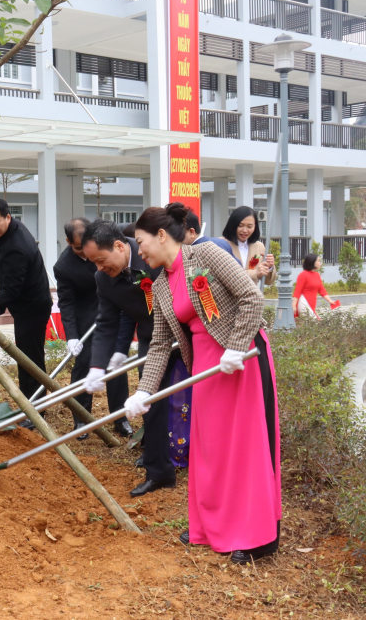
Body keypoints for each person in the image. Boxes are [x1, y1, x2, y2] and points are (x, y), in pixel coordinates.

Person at [129, 202, 280, 565]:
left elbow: (251, 297)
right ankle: (211, 526)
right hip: (207, 366)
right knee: (210, 447)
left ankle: (253, 536)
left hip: (240, 359)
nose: (140, 250)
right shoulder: (162, 283)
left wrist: (235, 346)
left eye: (141, 241)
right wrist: (144, 390)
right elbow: (162, 343)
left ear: (161, 235)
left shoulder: (207, 254)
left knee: (242, 448)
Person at [80, 219, 175, 496]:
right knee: (150, 402)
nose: (99, 268)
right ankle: (159, 472)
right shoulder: (103, 279)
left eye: (101, 260)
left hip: (187, 331)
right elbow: (107, 322)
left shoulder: (152, 255)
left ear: (120, 246)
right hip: (152, 339)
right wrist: (97, 366)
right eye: (92, 263)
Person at [53, 218, 131, 439]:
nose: (87, 255)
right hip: (86, 320)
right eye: (79, 248)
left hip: (113, 314)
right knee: (85, 366)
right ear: (69, 242)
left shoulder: (105, 249)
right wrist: (72, 336)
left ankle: (120, 418)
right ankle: (82, 419)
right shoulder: (64, 266)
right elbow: (66, 302)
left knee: (116, 366)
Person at [0, 198, 52, 424]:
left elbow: (10, 291)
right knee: (32, 357)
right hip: (33, 303)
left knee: (28, 359)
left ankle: (33, 412)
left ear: (7, 218)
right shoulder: (15, 228)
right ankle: (37, 405)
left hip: (32, 307)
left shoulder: (15, 249)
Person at [221, 206, 276, 285]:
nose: (245, 230)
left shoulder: (259, 246)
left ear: (255, 227)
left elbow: (268, 282)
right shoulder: (221, 244)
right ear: (233, 225)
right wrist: (255, 273)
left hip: (251, 296)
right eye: (240, 226)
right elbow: (225, 275)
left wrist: (269, 267)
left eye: (249, 226)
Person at [293, 253, 336, 319]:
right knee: (314, 323)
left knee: (308, 325)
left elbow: (322, 290)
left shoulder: (317, 275)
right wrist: (293, 305)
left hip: (312, 303)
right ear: (312, 262)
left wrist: (330, 301)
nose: (320, 263)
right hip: (304, 302)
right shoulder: (303, 275)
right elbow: (297, 291)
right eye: (318, 261)